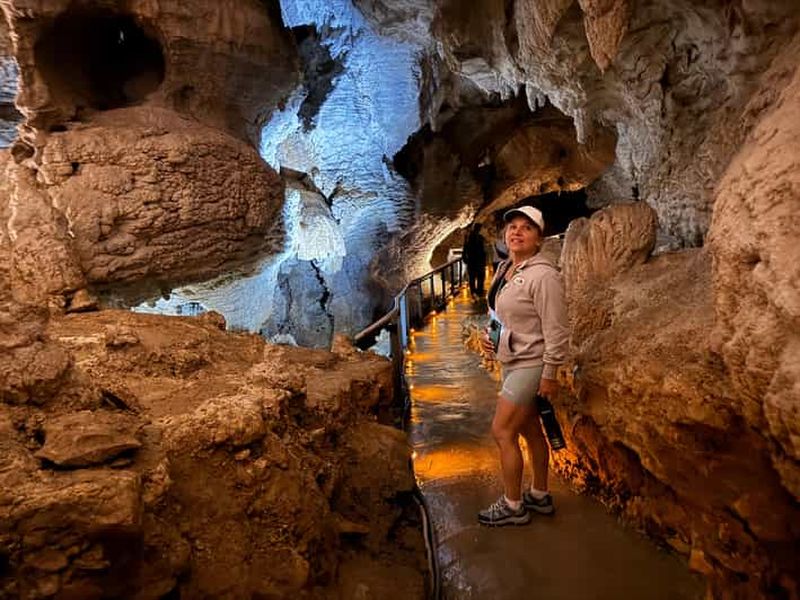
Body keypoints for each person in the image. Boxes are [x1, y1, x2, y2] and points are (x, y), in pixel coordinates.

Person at [478, 206, 569, 526]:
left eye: (526, 228)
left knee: (502, 431)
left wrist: (550, 373)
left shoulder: (544, 276)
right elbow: (500, 314)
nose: (516, 232)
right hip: (512, 359)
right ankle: (540, 495)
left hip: (531, 363)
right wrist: (492, 338)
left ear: (539, 238)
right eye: (512, 227)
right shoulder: (506, 269)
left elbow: (556, 329)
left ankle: (513, 505)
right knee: (530, 430)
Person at [462, 223, 487, 297]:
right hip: (478, 260)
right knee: (480, 276)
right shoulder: (480, 238)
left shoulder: (469, 237)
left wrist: (464, 258)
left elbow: (465, 248)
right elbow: (483, 249)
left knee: (472, 277)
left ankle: (473, 291)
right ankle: (479, 291)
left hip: (472, 260)